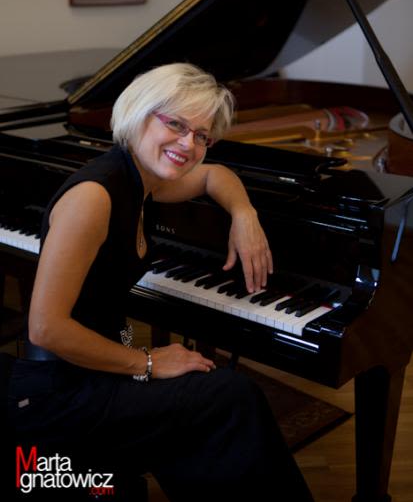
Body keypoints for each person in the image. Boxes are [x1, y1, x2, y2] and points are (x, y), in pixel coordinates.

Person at [7, 63, 314, 501]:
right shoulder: (94, 197)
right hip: (60, 391)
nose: (189, 144)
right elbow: (44, 329)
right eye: (176, 124)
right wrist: (148, 361)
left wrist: (244, 214)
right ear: (139, 113)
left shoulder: (142, 180)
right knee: (230, 395)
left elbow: (215, 175)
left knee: (216, 405)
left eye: (202, 135)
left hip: (97, 367)